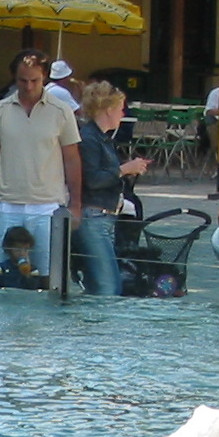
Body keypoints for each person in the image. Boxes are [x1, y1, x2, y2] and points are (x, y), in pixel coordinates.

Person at [0, 50, 82, 283]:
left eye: (35, 80)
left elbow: (72, 159)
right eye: (22, 80)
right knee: (2, 277)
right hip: (6, 205)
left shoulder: (61, 110)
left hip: (47, 207)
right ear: (14, 78)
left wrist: (75, 205)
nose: (29, 86)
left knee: (47, 278)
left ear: (45, 77)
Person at [74, 82, 150, 296]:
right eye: (120, 108)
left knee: (100, 281)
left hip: (104, 216)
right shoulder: (90, 138)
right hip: (94, 216)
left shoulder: (101, 137)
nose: (122, 113)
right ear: (108, 109)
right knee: (109, 285)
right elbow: (93, 179)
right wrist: (124, 169)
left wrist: (127, 170)